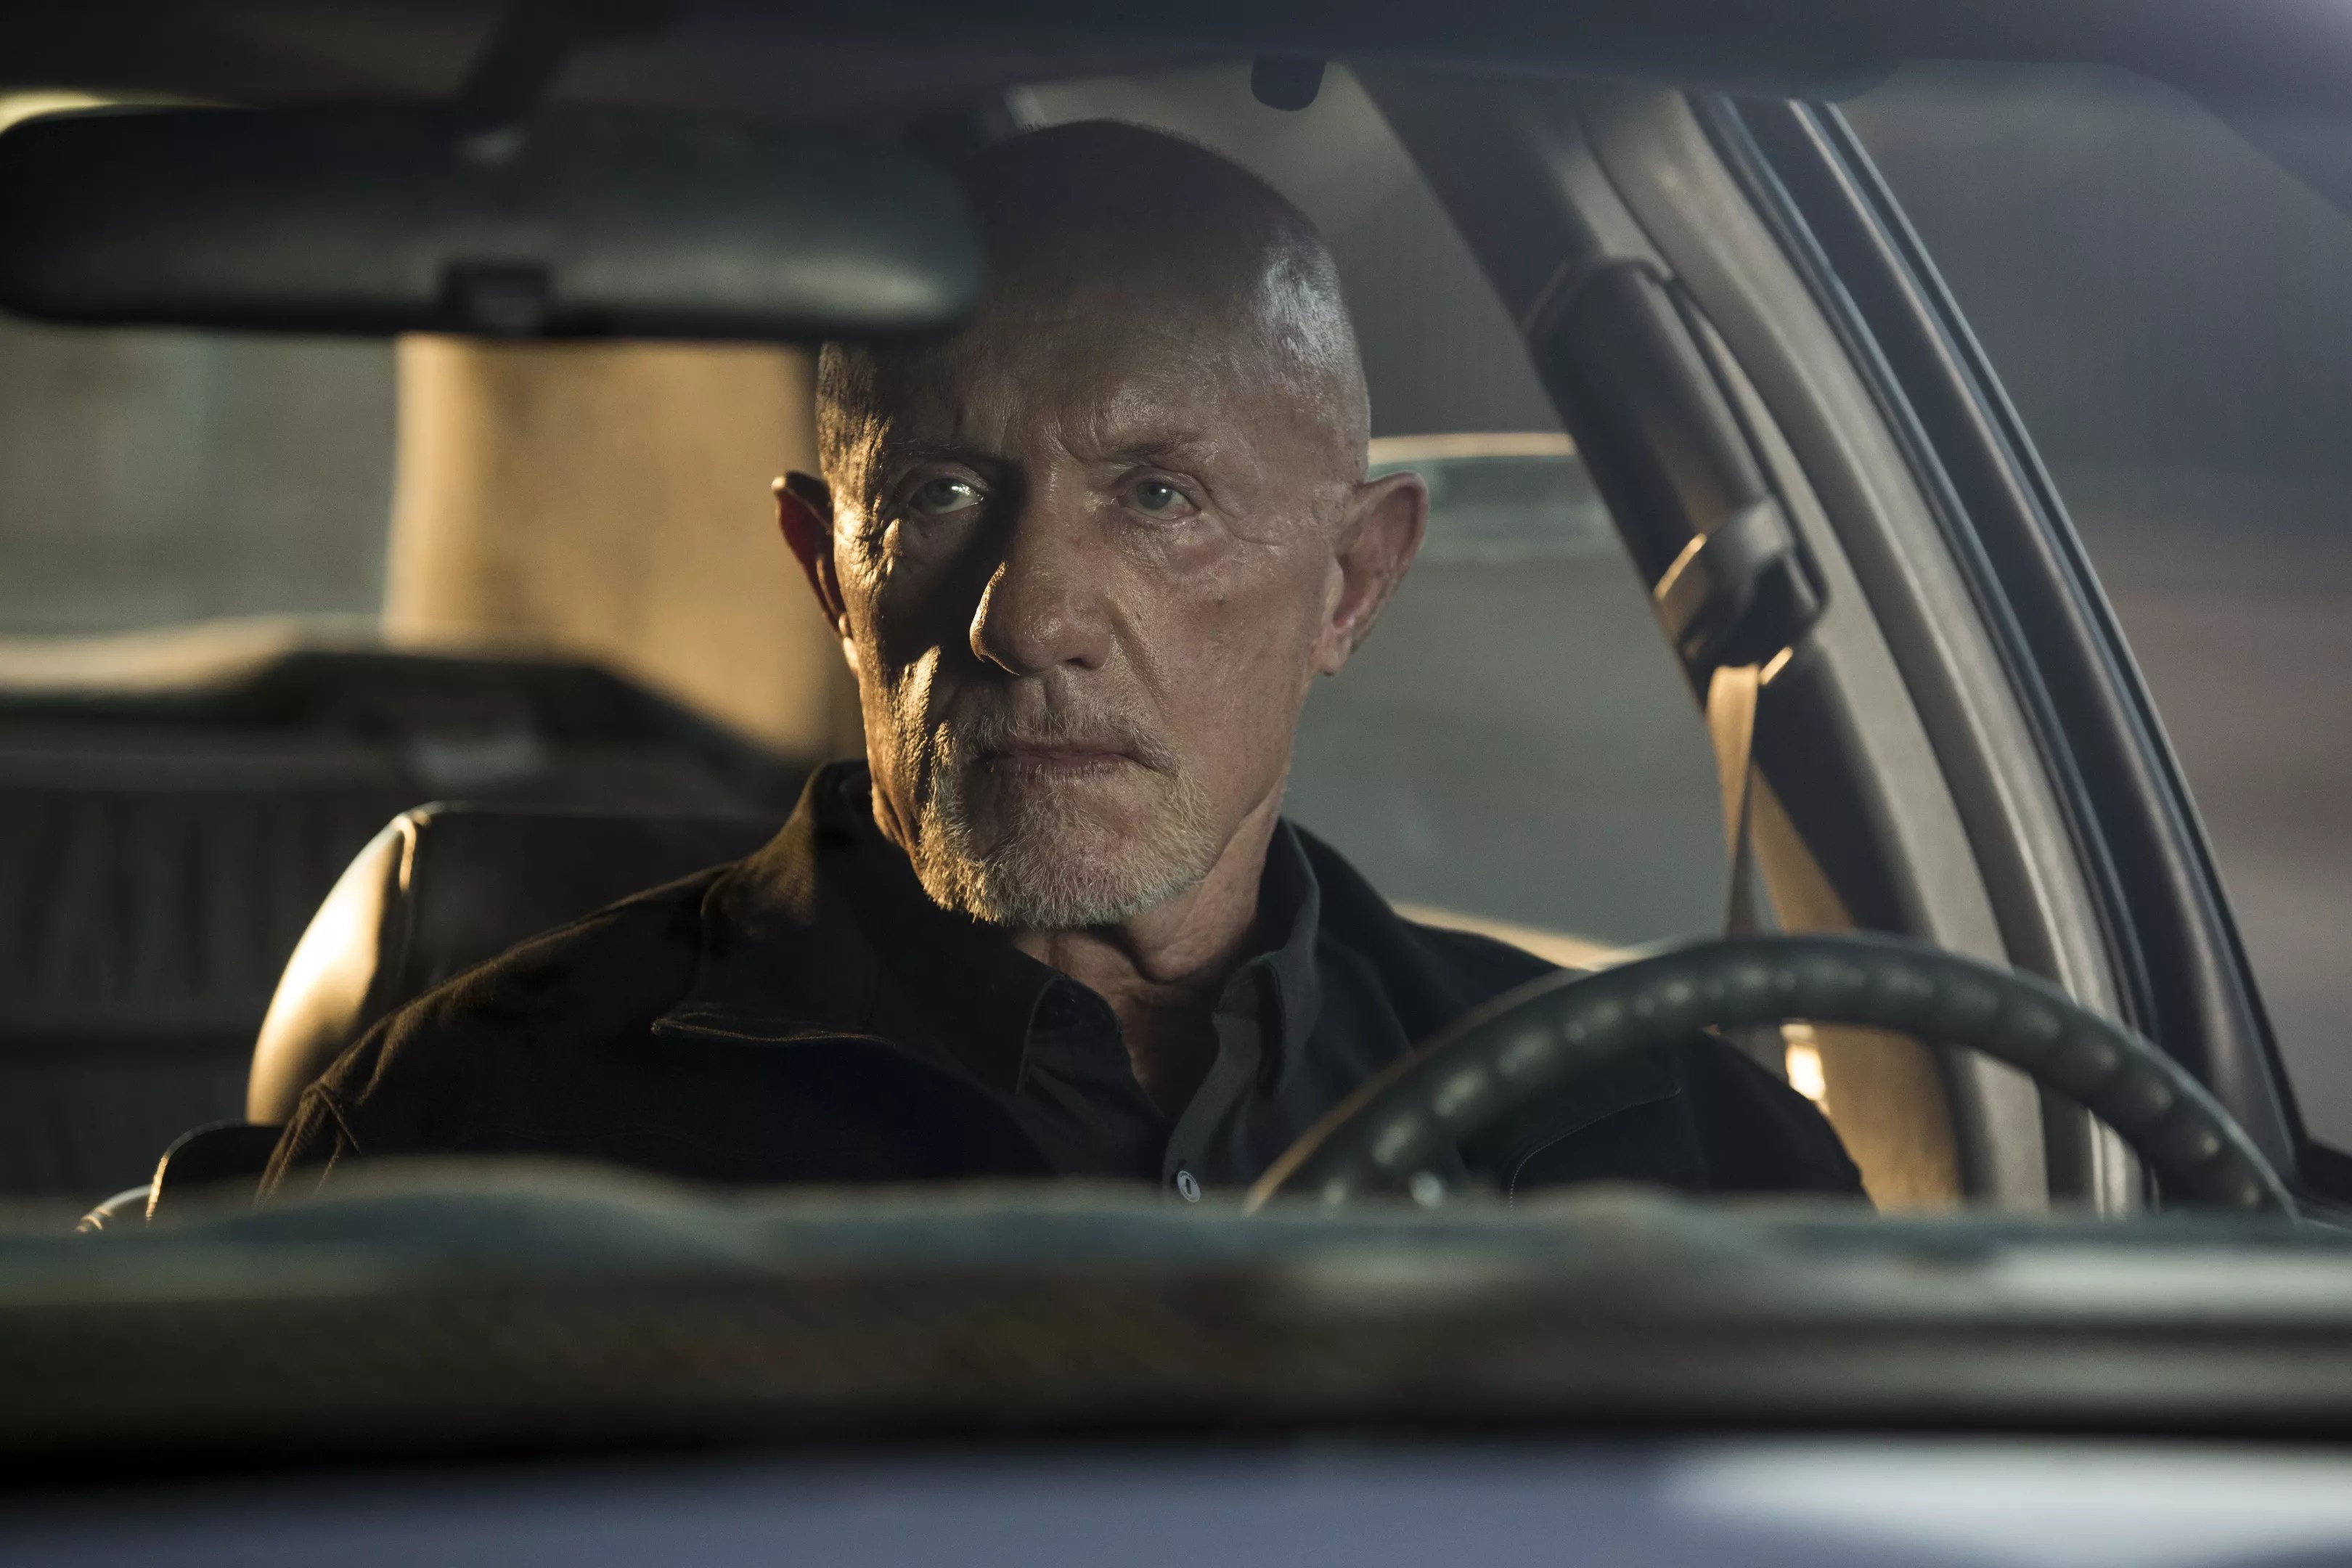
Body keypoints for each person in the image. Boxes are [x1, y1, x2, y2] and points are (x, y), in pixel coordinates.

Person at [261, 122, 1861, 1204]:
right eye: (940, 497)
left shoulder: (1668, 1147)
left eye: (1159, 500)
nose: (1026, 622)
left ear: (1353, 584)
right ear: (828, 569)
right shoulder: (475, 1141)